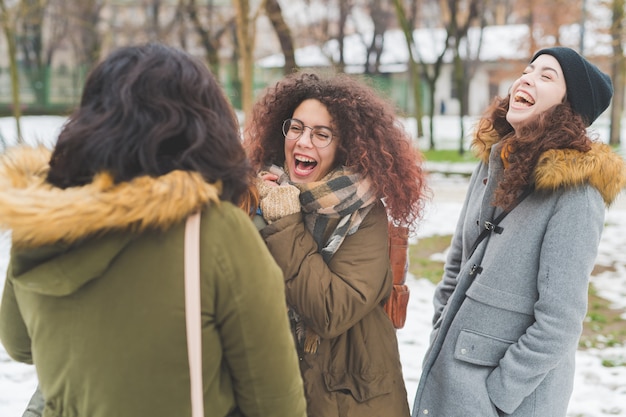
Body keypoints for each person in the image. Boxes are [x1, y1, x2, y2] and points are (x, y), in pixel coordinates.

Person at [0, 43, 307, 417]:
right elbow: (275, 403)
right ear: (202, 125)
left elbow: (19, 344)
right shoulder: (215, 231)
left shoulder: (40, 222)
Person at [412, 47, 626, 417]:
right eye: (528, 70)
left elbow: (559, 322)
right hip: (451, 373)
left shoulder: (576, 193)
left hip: (507, 401)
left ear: (568, 107)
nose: (526, 78)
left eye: (546, 76)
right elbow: (457, 263)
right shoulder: (494, 162)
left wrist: (499, 393)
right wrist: (440, 328)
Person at [243, 72, 429, 417]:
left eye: (321, 134)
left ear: (345, 146)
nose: (303, 142)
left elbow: (331, 311)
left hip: (348, 401)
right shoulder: (259, 193)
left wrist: (285, 221)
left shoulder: (366, 213)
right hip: (274, 391)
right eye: (296, 128)